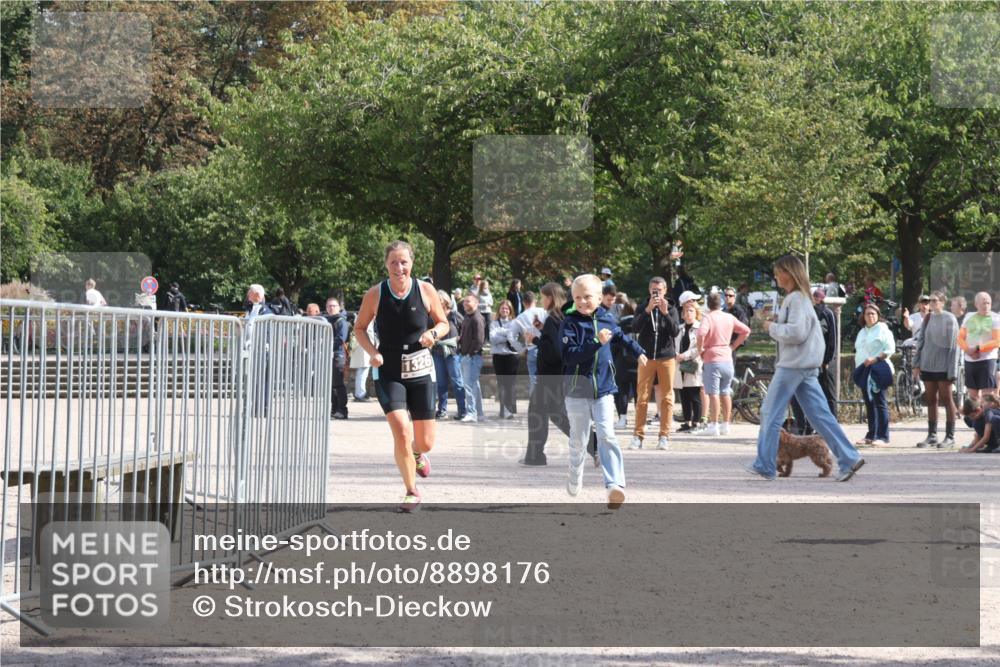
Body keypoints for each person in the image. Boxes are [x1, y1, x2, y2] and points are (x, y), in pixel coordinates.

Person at [744, 255, 865, 482]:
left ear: (788, 273)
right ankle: (849, 457)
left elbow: (796, 333)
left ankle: (765, 464)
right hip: (806, 365)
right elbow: (800, 330)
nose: (776, 276)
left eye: (778, 271)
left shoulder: (796, 299)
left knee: (770, 413)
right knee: (821, 416)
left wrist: (772, 327)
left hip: (793, 365)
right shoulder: (802, 299)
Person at [353, 240, 450, 513]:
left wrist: (432, 334)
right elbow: (359, 328)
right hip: (389, 369)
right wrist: (372, 352)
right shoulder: (376, 294)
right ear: (386, 264)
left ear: (412, 264)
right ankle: (411, 490)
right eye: (394, 262)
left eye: (404, 262)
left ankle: (418, 453)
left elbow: (444, 323)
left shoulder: (425, 290)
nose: (399, 267)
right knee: (401, 430)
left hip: (420, 367)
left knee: (426, 441)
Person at [561, 274, 647, 508]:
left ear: (600, 298)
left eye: (587, 297)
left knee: (607, 434)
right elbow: (570, 356)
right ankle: (574, 474)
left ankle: (614, 486)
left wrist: (638, 351)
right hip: (576, 391)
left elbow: (622, 338)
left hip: (604, 390)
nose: (582, 302)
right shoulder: (569, 323)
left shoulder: (608, 320)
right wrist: (596, 343)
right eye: (577, 297)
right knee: (579, 440)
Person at [521, 283, 574, 466]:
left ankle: (535, 456)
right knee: (551, 415)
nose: (541, 300)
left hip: (549, 376)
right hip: (557, 375)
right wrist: (542, 329)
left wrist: (534, 339)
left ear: (550, 297)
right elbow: (555, 341)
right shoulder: (560, 317)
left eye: (543, 296)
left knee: (546, 415)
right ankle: (535, 455)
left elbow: (553, 352)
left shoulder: (553, 318)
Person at [630, 277, 679, 450]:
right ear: (649, 290)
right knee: (642, 397)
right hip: (646, 357)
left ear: (665, 290)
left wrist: (665, 313)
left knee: (667, 397)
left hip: (666, 357)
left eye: (659, 290)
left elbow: (675, 331)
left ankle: (664, 436)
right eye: (653, 290)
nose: (656, 293)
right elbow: (634, 328)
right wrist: (647, 310)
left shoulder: (671, 308)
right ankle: (638, 436)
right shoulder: (643, 307)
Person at [695, 291, 751, 436]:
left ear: (708, 304)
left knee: (713, 393)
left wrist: (700, 349)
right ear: (721, 303)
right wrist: (733, 346)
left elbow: (701, 333)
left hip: (712, 358)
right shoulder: (729, 317)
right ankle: (725, 425)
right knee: (725, 392)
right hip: (727, 357)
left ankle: (713, 425)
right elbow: (746, 330)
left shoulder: (708, 318)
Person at [913, 291, 961, 448]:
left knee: (947, 399)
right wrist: (916, 364)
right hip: (928, 364)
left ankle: (950, 436)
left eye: (934, 300)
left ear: (942, 302)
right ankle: (932, 435)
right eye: (929, 301)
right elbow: (920, 341)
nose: (931, 303)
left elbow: (955, 347)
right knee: (930, 399)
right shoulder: (928, 318)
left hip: (943, 366)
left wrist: (952, 370)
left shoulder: (950, 319)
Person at [789, 287, 839, 435]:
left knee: (826, 395)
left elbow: (833, 339)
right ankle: (804, 426)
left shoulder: (827, 313)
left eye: (817, 298)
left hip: (822, 362)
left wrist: (827, 360)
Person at [853, 302, 895, 447]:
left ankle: (883, 437)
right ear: (863, 316)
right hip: (864, 370)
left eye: (873, 314)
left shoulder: (883, 329)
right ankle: (871, 434)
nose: (870, 316)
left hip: (878, 370)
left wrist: (876, 359)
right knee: (869, 403)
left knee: (880, 402)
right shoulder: (862, 332)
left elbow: (890, 349)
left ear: (878, 315)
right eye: (867, 314)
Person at [431, 290, 466, 420]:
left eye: (438, 300)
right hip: (437, 353)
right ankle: (442, 410)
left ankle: (462, 410)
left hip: (453, 353)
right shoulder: (433, 317)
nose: (436, 303)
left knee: (457, 382)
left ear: (445, 301)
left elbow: (465, 329)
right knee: (441, 383)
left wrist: (458, 339)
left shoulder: (454, 315)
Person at [958, 292, 999, 400]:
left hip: (987, 360)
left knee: (987, 397)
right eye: (983, 303)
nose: (986, 306)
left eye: (988, 303)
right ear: (976, 304)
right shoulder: (969, 316)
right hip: (970, 360)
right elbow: (960, 337)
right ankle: (975, 416)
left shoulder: (996, 318)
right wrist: (968, 350)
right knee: (973, 397)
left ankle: (987, 416)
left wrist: (977, 348)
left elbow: (997, 341)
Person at [489, 299, 523, 419]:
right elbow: (492, 339)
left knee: (510, 384)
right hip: (498, 356)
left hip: (511, 356)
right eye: (503, 308)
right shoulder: (494, 323)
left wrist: (501, 334)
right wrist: (508, 335)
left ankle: (510, 409)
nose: (504, 310)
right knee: (501, 384)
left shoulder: (515, 322)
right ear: (499, 310)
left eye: (507, 308)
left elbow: (514, 338)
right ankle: (503, 410)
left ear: (510, 310)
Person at [674, 298, 704, 433]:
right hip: (679, 364)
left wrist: (684, 355)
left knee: (694, 395)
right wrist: (676, 354)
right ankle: (686, 421)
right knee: (683, 395)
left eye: (691, 310)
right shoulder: (679, 329)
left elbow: (699, 347)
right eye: (685, 310)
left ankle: (696, 422)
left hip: (693, 364)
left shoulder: (699, 328)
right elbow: (674, 344)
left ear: (696, 312)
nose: (687, 313)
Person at [509, 291, 546, 395]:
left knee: (534, 381)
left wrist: (521, 349)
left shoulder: (520, 317)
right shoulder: (543, 311)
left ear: (523, 302)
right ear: (535, 300)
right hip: (545, 348)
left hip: (531, 349)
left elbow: (511, 336)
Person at [458, 293, 487, 422]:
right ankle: (479, 413)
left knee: (469, 385)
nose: (465, 304)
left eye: (468, 301)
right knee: (474, 385)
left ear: (476, 303)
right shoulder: (467, 317)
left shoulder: (477, 318)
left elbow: (479, 340)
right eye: (464, 302)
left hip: (472, 357)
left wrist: (470, 353)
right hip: (466, 355)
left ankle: (472, 413)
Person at [612, 300, 638, 429]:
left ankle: (622, 419)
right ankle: (640, 419)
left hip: (622, 363)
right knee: (640, 392)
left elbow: (614, 346)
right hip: (640, 362)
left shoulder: (619, 326)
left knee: (621, 391)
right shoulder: (641, 325)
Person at [325, 297, 351, 420]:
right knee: (331, 385)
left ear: (338, 307)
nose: (331, 308)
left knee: (338, 384)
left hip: (337, 355)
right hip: (328, 355)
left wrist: (326, 345)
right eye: (329, 306)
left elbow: (341, 338)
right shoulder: (326, 320)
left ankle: (342, 410)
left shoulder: (341, 321)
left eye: (333, 306)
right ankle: (334, 409)